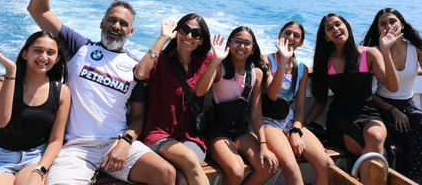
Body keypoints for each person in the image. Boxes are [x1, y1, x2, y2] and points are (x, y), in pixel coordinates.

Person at [27, 0, 175, 185]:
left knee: (166, 174)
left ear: (131, 32)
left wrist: (125, 144)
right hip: (75, 147)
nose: (116, 26)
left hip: (115, 144)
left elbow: (138, 118)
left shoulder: (137, 67)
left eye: (123, 24)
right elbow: (38, 9)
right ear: (101, 23)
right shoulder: (78, 47)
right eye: (112, 20)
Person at [306, 13, 400, 185]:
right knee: (374, 152)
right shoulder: (325, 62)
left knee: (376, 139)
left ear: (347, 26)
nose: (335, 29)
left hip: (369, 112)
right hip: (340, 118)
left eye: (338, 24)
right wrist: (302, 125)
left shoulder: (370, 53)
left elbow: (393, 87)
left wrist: (385, 51)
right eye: (329, 28)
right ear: (326, 37)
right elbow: (320, 100)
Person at [362, 8, 422, 184]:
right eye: (383, 23)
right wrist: (393, 110)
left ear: (402, 24)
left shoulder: (415, 49)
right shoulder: (373, 51)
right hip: (382, 107)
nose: (389, 25)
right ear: (378, 30)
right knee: (416, 136)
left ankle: (413, 180)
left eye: (393, 21)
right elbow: (367, 94)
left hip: (408, 106)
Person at [0, 31, 71, 185]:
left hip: (36, 158)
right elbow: (1, 122)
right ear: (25, 54)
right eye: (37, 50)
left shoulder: (61, 92)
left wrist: (40, 169)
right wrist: (11, 72)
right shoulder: (1, 83)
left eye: (50, 53)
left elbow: (56, 140)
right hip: (0, 157)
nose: (43, 56)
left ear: (57, 59)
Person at [134, 14, 213, 185]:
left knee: (183, 180)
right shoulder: (161, 59)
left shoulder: (207, 61)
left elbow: (232, 73)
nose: (189, 36)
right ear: (177, 32)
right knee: (191, 160)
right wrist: (162, 38)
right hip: (159, 134)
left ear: (201, 40)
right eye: (184, 30)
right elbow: (140, 74)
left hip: (190, 136)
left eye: (196, 33)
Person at [195, 26, 279, 185]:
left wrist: (263, 146)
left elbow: (255, 114)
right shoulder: (220, 69)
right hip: (217, 131)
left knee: (267, 167)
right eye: (237, 41)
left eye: (247, 43)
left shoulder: (256, 74)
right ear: (229, 44)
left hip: (241, 129)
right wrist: (216, 60)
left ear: (253, 49)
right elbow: (199, 91)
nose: (242, 46)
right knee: (236, 171)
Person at [261, 21, 333, 185]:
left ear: (301, 43)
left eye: (296, 36)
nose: (290, 37)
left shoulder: (302, 68)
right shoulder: (265, 60)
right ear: (280, 36)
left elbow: (300, 107)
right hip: (268, 122)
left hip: (290, 120)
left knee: (327, 164)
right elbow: (272, 95)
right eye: (287, 33)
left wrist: (296, 130)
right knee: (292, 169)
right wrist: (283, 62)